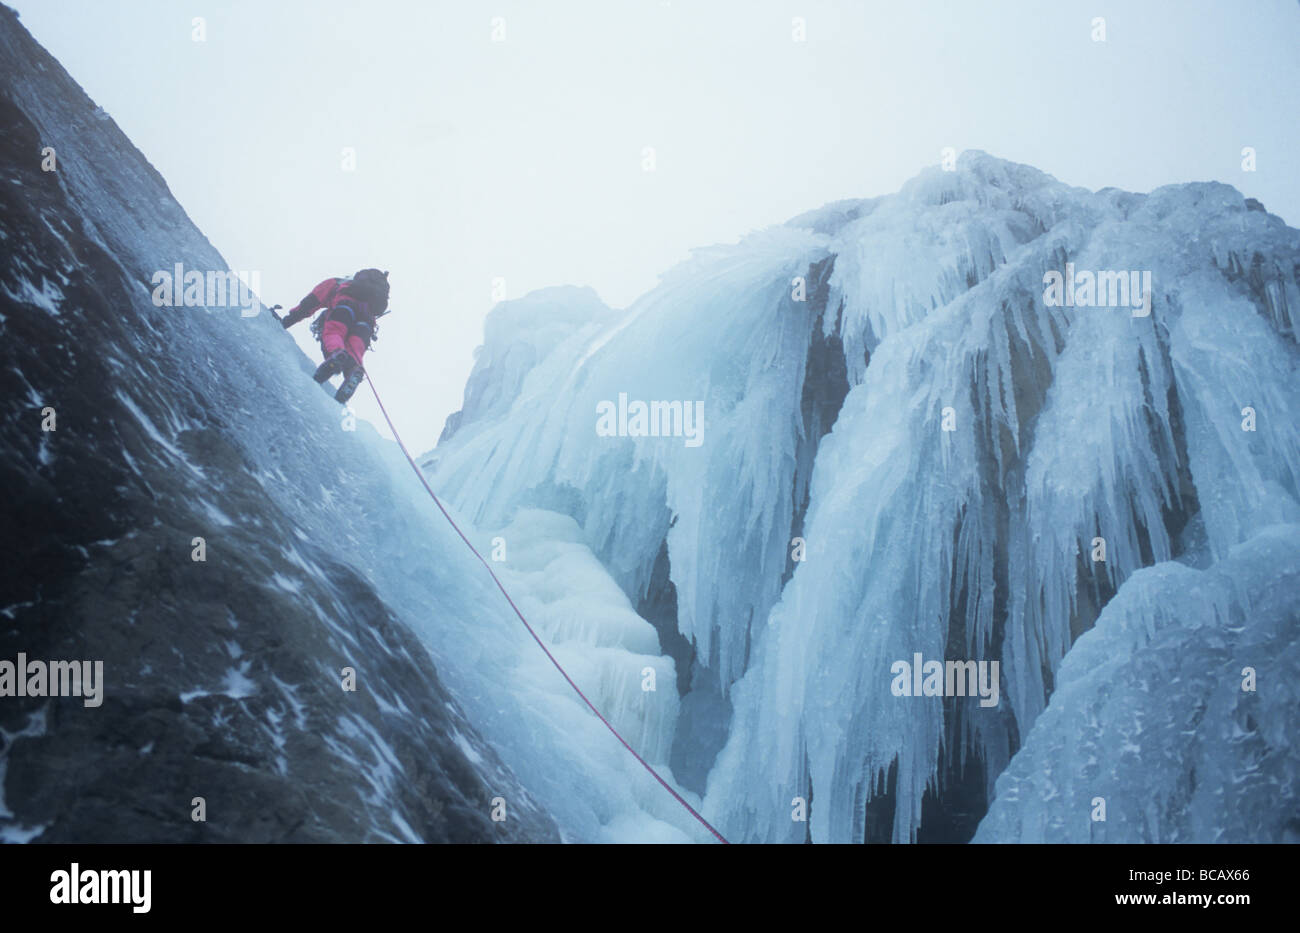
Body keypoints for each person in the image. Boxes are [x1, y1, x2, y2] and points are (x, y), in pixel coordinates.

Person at [279, 269, 390, 402]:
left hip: (344, 308)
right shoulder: (372, 298)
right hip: (367, 321)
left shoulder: (337, 283)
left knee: (334, 332)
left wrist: (287, 321)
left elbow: (310, 303)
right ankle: (354, 370)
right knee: (356, 347)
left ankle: (336, 354)